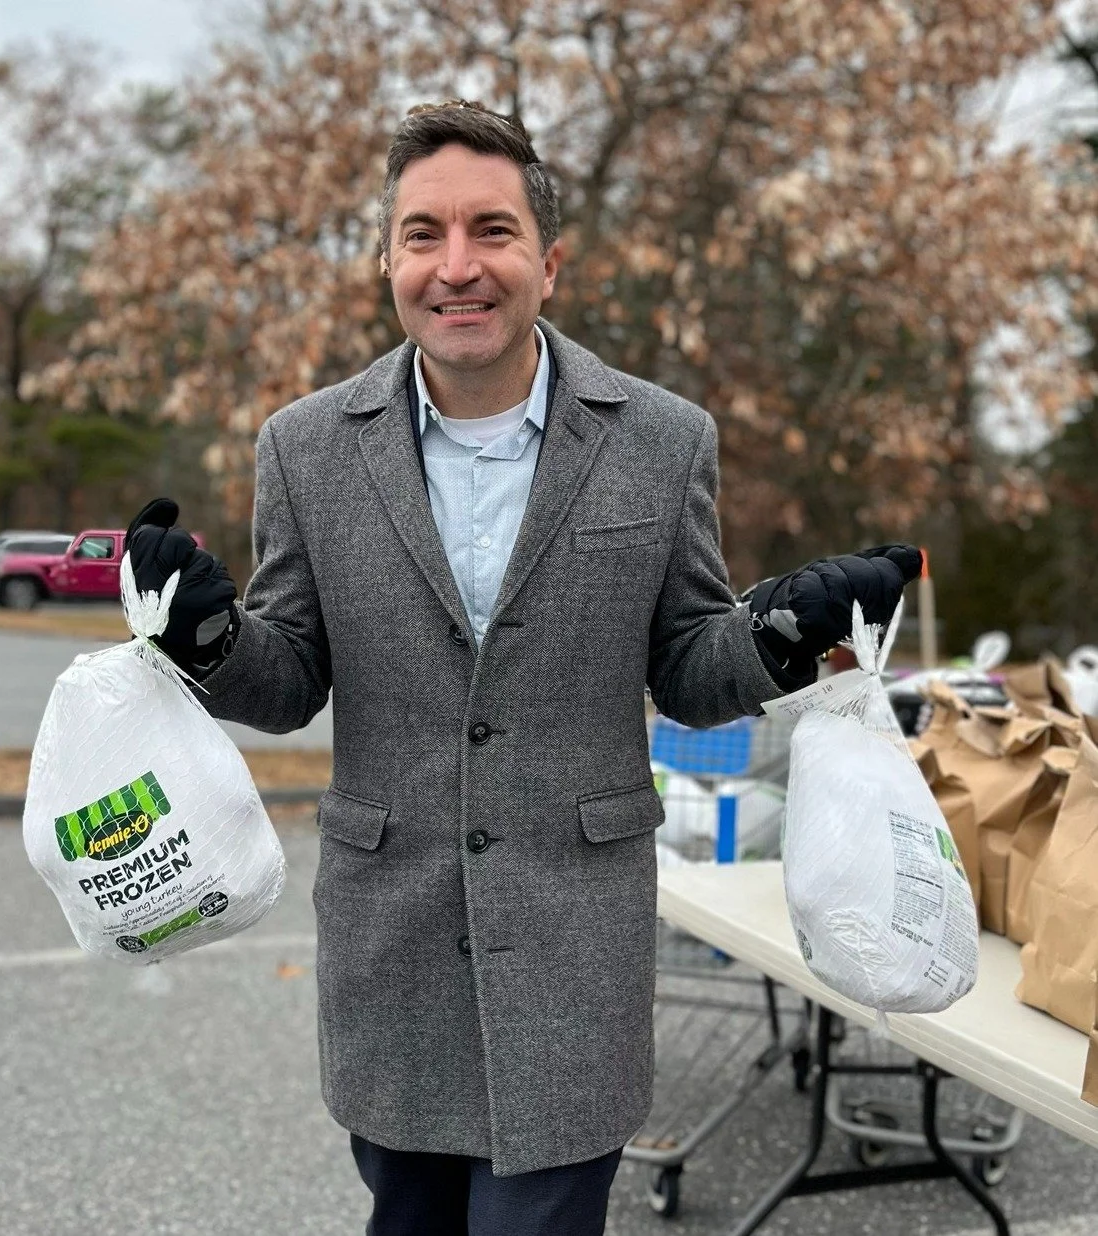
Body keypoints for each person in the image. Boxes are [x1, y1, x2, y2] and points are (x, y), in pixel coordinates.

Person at [125, 100, 921, 1236]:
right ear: (389, 260)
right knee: (405, 1220)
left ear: (547, 262)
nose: (457, 267)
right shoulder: (304, 448)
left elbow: (691, 674)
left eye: (491, 231)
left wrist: (783, 632)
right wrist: (205, 637)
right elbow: (289, 674)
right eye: (423, 235)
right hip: (390, 936)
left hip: (572, 942)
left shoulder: (662, 438)